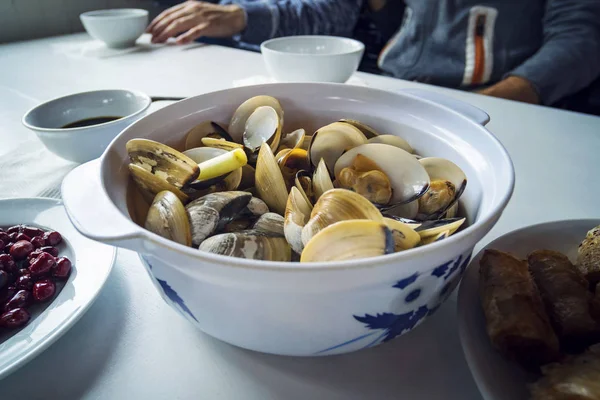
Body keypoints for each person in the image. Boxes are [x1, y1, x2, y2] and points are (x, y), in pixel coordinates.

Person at [147, 0, 600, 107]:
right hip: (391, 89)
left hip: (502, 102)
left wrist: (496, 98)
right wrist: (240, 15)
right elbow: (331, 11)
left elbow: (581, 37)